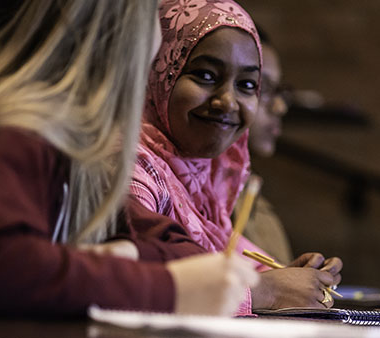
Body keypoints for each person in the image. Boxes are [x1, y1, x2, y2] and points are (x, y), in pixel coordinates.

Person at [0, 0, 258, 316]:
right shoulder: (14, 120)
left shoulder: (71, 138)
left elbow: (171, 245)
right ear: (122, 32)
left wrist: (129, 254)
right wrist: (167, 288)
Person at [129, 0, 342, 315]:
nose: (227, 101)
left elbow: (236, 259)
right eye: (204, 75)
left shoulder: (204, 185)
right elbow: (128, 282)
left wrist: (292, 276)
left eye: (246, 85)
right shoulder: (127, 168)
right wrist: (263, 290)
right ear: (158, 72)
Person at [238, 27, 294, 264]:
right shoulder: (197, 204)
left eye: (279, 90)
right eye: (263, 88)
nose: (280, 107)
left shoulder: (257, 204)